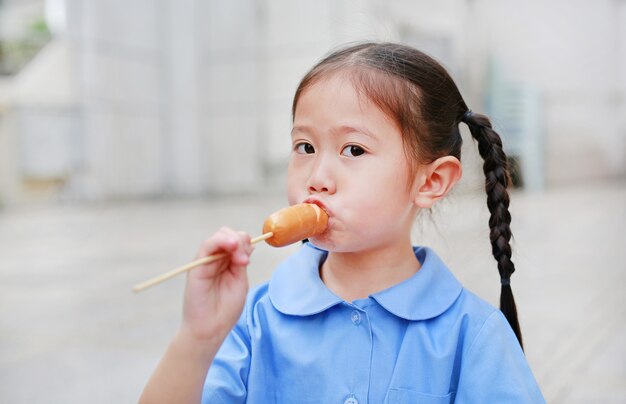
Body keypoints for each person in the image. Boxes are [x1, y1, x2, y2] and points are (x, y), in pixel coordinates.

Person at [139, 42, 545, 403]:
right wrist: (198, 339)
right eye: (305, 146)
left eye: (353, 149)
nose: (317, 177)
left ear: (431, 181)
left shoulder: (472, 335)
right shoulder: (255, 318)